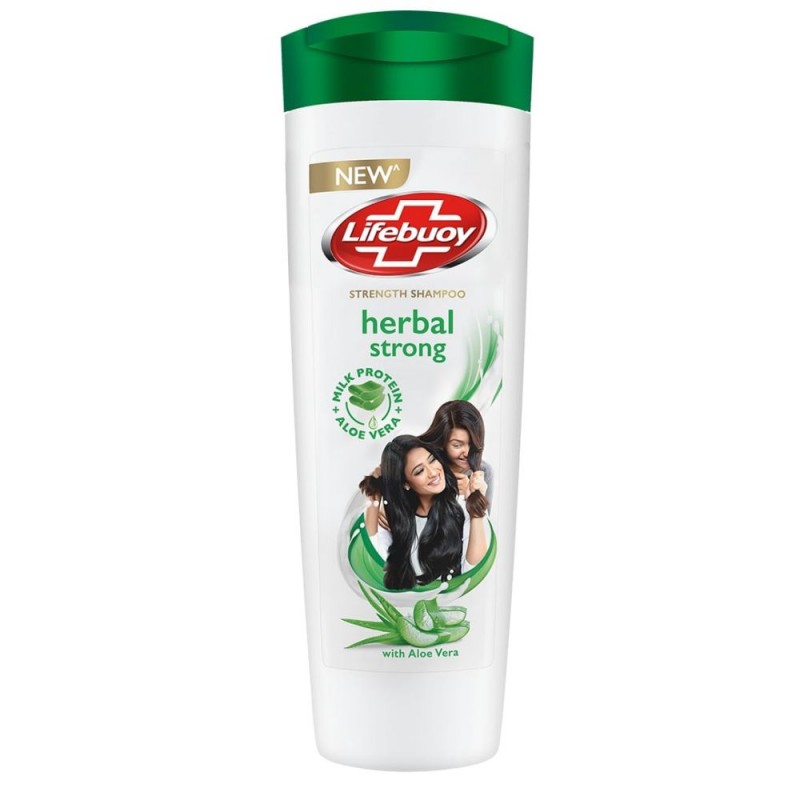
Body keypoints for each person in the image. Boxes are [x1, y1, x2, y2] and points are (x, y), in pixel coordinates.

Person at [359, 435, 490, 591]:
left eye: (432, 460)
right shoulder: (397, 521)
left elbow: (475, 571)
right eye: (420, 471)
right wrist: (374, 494)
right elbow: (370, 554)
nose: (433, 472)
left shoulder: (462, 506)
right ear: (405, 483)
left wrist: (476, 508)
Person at [418, 400, 494, 513]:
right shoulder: (426, 465)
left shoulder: (484, 471)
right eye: (457, 445)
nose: (467, 453)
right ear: (443, 441)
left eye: (472, 444)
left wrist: (472, 497)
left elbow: (484, 522)